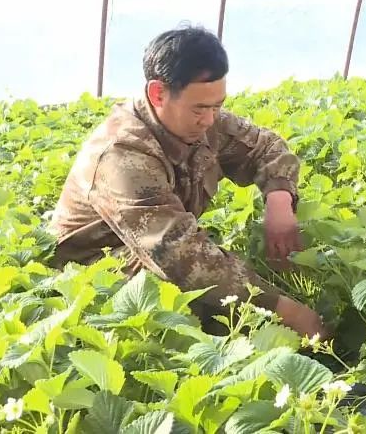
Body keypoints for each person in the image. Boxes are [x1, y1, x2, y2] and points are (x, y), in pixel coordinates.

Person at [47, 25, 326, 339]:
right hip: (96, 269)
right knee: (203, 309)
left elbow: (267, 148)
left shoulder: (202, 122)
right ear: (158, 93)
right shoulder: (121, 153)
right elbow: (179, 256)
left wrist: (279, 201)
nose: (209, 120)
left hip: (160, 250)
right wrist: (284, 309)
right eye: (199, 108)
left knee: (238, 287)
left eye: (216, 106)